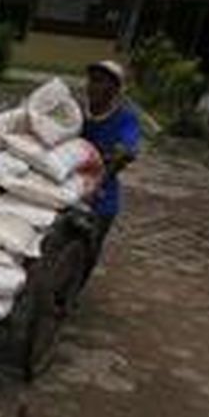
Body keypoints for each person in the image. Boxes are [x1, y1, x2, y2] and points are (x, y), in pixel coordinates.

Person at [81, 60, 141, 274]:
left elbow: (128, 148)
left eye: (101, 82)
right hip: (69, 181)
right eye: (92, 80)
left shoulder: (125, 117)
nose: (93, 86)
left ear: (114, 89)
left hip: (102, 193)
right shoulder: (78, 110)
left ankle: (71, 294)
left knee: (90, 246)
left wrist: (121, 153)